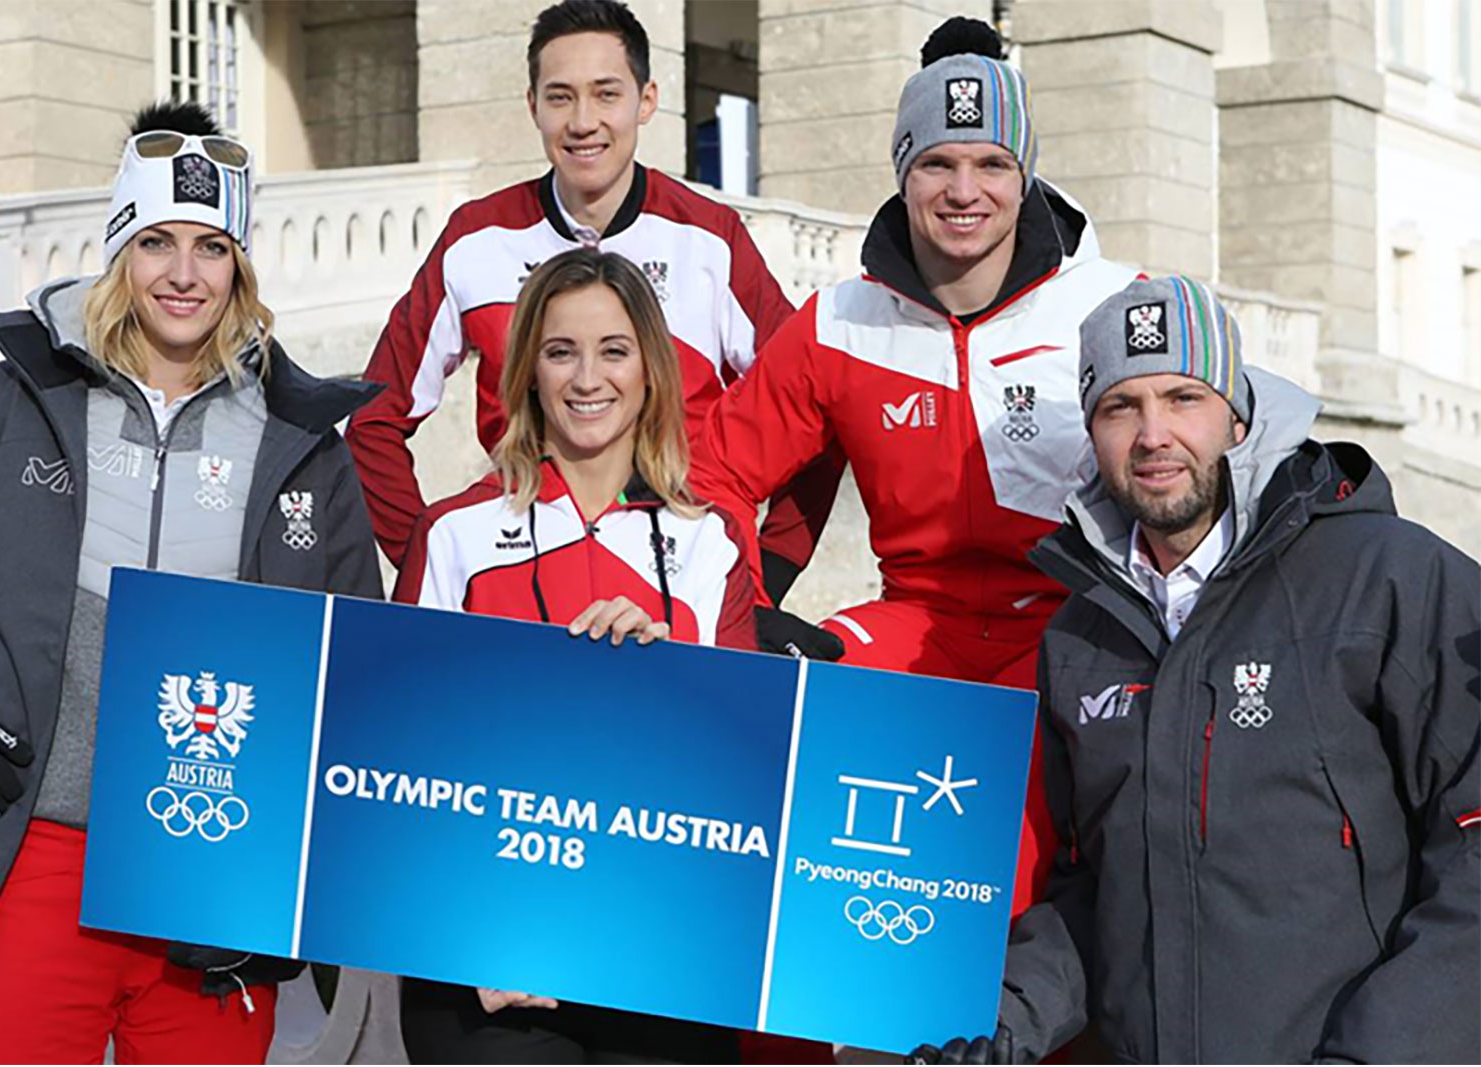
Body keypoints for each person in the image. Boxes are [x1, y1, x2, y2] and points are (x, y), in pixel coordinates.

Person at [0, 102, 384, 1065]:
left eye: (211, 248)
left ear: (241, 265)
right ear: (120, 246)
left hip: (212, 881)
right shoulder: (16, 401)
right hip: (35, 852)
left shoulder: (303, 449)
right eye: (157, 240)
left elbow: (363, 679)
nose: (183, 273)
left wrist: (293, 875)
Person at [909, 277, 1481, 1065]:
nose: (1154, 434)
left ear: (1238, 416)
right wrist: (996, 1022)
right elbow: (1098, 892)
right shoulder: (1081, 639)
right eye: (1122, 407)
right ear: (1092, 429)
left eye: (1184, 398)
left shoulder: (1391, 579)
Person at [687, 17, 1138, 913]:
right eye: (937, 163)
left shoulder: (1108, 306)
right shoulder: (839, 320)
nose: (964, 191)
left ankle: (998, 1036)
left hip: (1070, 628)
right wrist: (744, 611)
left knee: (997, 845)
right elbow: (712, 474)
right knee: (773, 790)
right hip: (914, 617)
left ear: (1027, 176)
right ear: (902, 170)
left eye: (992, 165)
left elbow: (1213, 455)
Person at [350, 0, 843, 659]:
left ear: (647, 99)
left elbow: (818, 409)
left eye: (606, 94)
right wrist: (439, 555)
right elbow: (372, 419)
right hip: (520, 575)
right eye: (560, 97)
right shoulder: (477, 239)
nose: (583, 122)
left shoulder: (711, 240)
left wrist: (763, 578)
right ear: (532, 105)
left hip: (676, 578)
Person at [394, 247, 752, 1063]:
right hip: (489, 958)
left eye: (614, 350)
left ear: (652, 372)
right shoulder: (455, 533)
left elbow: (737, 767)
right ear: (526, 373)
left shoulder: (710, 544)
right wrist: (472, 933)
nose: (588, 377)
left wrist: (675, 685)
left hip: (658, 953)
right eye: (561, 351)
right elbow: (400, 758)